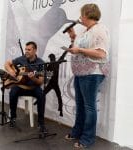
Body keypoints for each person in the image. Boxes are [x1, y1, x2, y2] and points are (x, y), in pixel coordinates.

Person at [64, 3, 110, 149]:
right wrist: (73, 38)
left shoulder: (99, 30)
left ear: (86, 15)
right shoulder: (86, 31)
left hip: (92, 73)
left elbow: (101, 54)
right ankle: (77, 131)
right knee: (80, 105)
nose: (80, 18)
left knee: (89, 107)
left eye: (81, 14)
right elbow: (78, 48)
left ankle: (88, 138)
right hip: (80, 73)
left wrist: (80, 50)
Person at [4, 41, 47, 133]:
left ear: (35, 50)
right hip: (21, 86)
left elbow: (40, 82)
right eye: (25, 49)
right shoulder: (21, 59)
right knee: (13, 92)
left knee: (42, 95)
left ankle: (41, 122)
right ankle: (13, 117)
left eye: (29, 50)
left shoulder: (41, 63)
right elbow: (7, 63)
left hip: (33, 88)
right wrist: (11, 71)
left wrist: (34, 78)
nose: (26, 51)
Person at [44, 51, 68, 117]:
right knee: (42, 94)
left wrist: (66, 50)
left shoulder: (56, 63)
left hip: (55, 84)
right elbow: (45, 74)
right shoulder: (50, 65)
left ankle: (60, 110)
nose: (50, 59)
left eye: (50, 58)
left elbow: (62, 56)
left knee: (59, 97)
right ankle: (36, 102)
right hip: (51, 83)